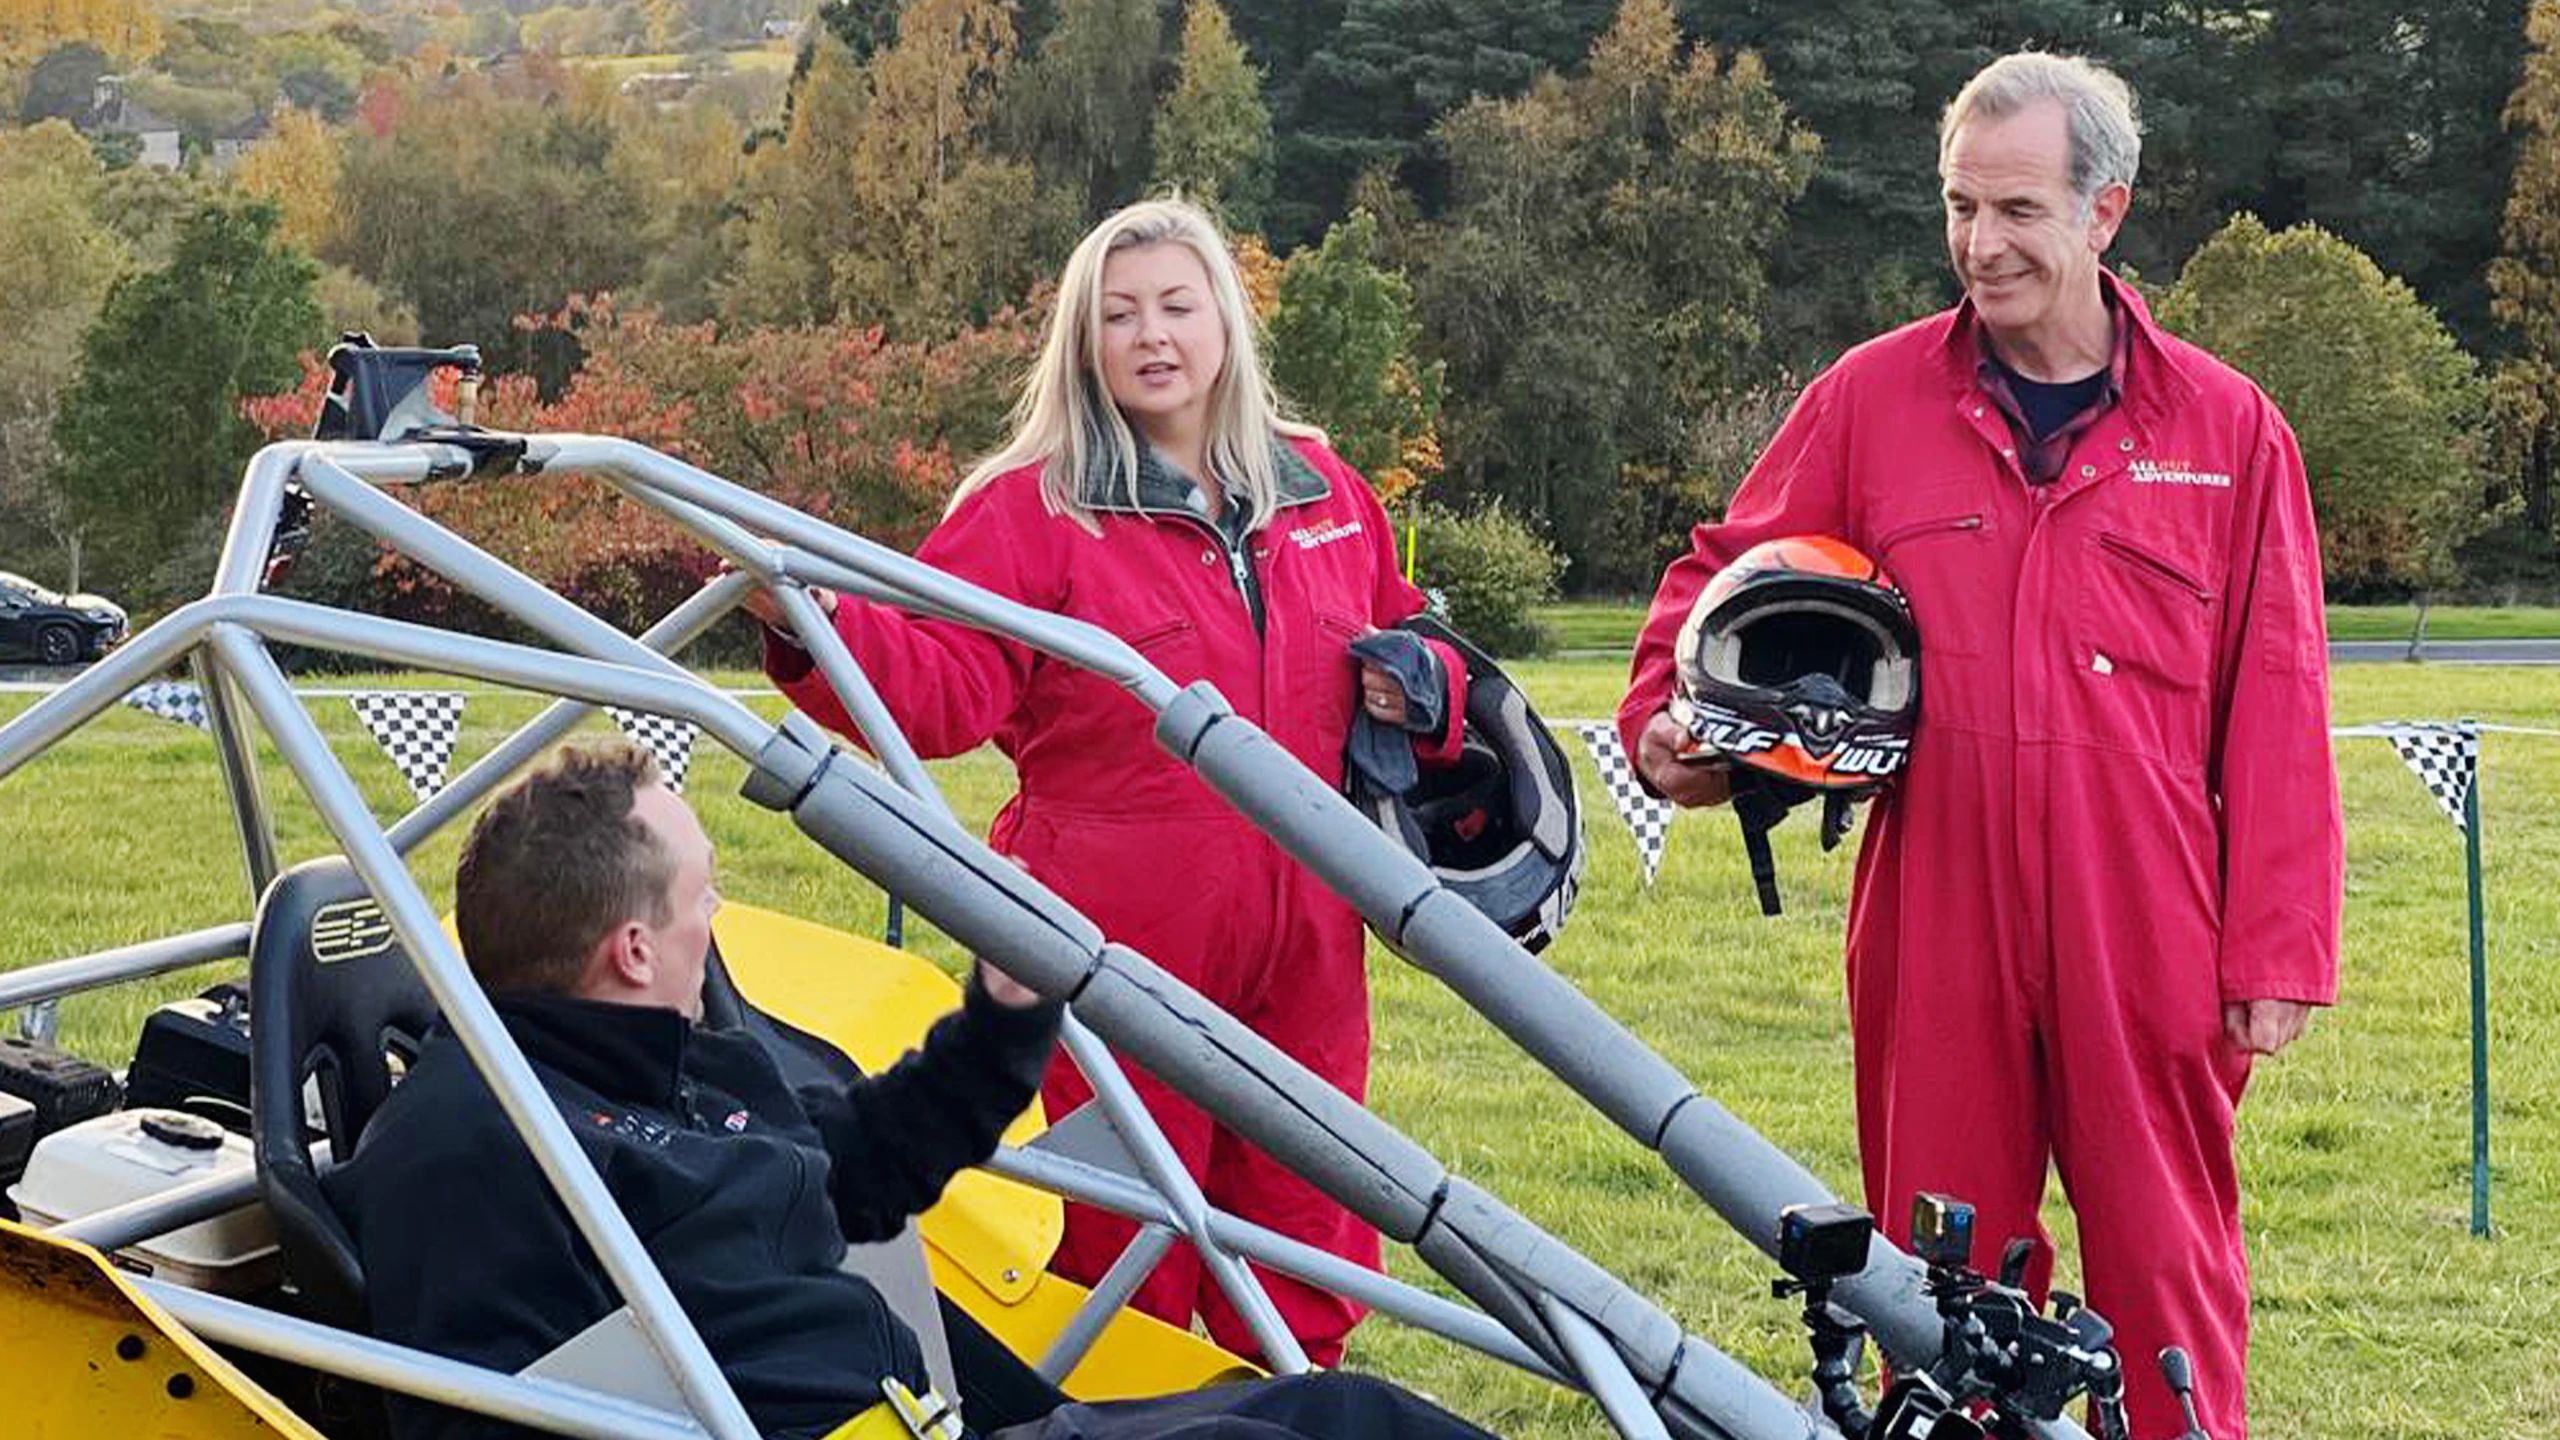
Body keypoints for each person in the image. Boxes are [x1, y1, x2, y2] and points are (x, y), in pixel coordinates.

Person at [1616, 52, 2340, 1440]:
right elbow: (1727, 566)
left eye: (2016, 210)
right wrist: (1668, 715)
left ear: (2104, 211)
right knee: (1934, 1266)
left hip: (2147, 912)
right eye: (1959, 207)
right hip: (1934, 898)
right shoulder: (1871, 399)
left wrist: (2278, 949)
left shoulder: (2228, 431)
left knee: (2166, 1266)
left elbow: (2282, 699)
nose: (1981, 245)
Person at [741, 196, 1452, 1366]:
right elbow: (936, 680)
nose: (1151, 335)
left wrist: (1426, 685)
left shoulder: (1322, 490)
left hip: (1311, 942)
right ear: (1083, 343)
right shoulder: (1032, 507)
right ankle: (1118, 1411)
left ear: (1224, 320)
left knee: (1306, 1218)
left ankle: (1288, 1404)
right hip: (1103, 945)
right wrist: (807, 623)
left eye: (1176, 305)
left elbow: (1411, 637)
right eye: (1118, 316)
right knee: (1119, 1239)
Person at [326, 740, 1498, 1440]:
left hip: (946, 1408)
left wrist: (1003, 1016)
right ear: (632, 948)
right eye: (704, 897)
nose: (721, 918)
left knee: (1352, 1418)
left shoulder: (681, 1059)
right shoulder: (472, 1146)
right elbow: (476, 1414)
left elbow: (862, 1172)